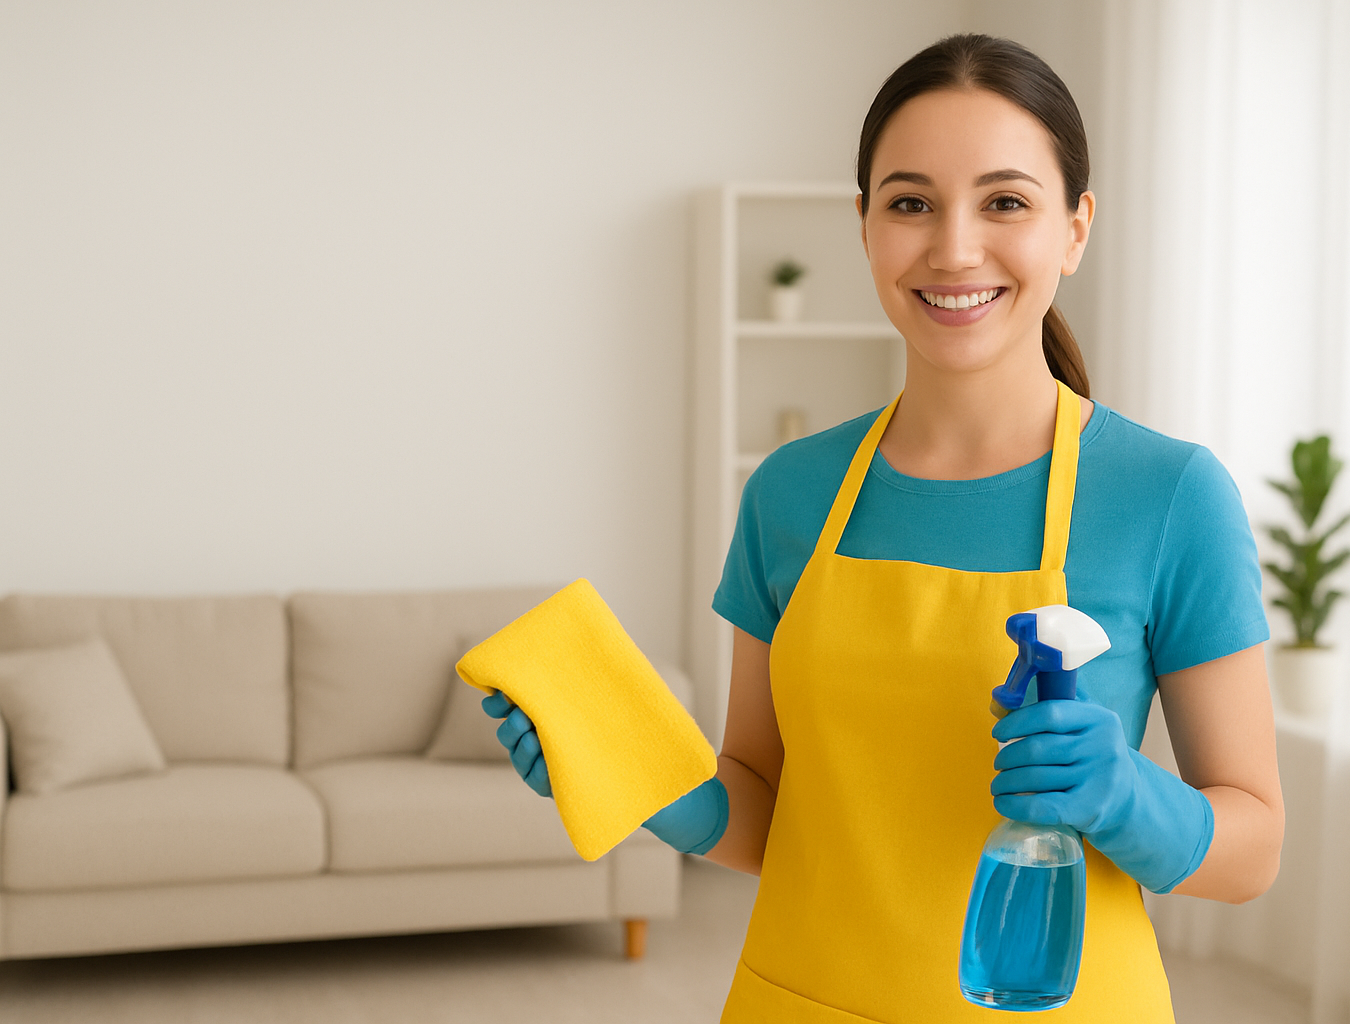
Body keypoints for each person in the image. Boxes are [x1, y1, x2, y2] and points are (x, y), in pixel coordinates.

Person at [484, 33, 1283, 1023]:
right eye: (911, 203)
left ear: (1075, 228)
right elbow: (771, 809)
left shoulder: (1168, 495)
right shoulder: (791, 493)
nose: (953, 247)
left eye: (1005, 201)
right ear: (864, 227)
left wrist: (1123, 793)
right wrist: (637, 779)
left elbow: (1252, 850)